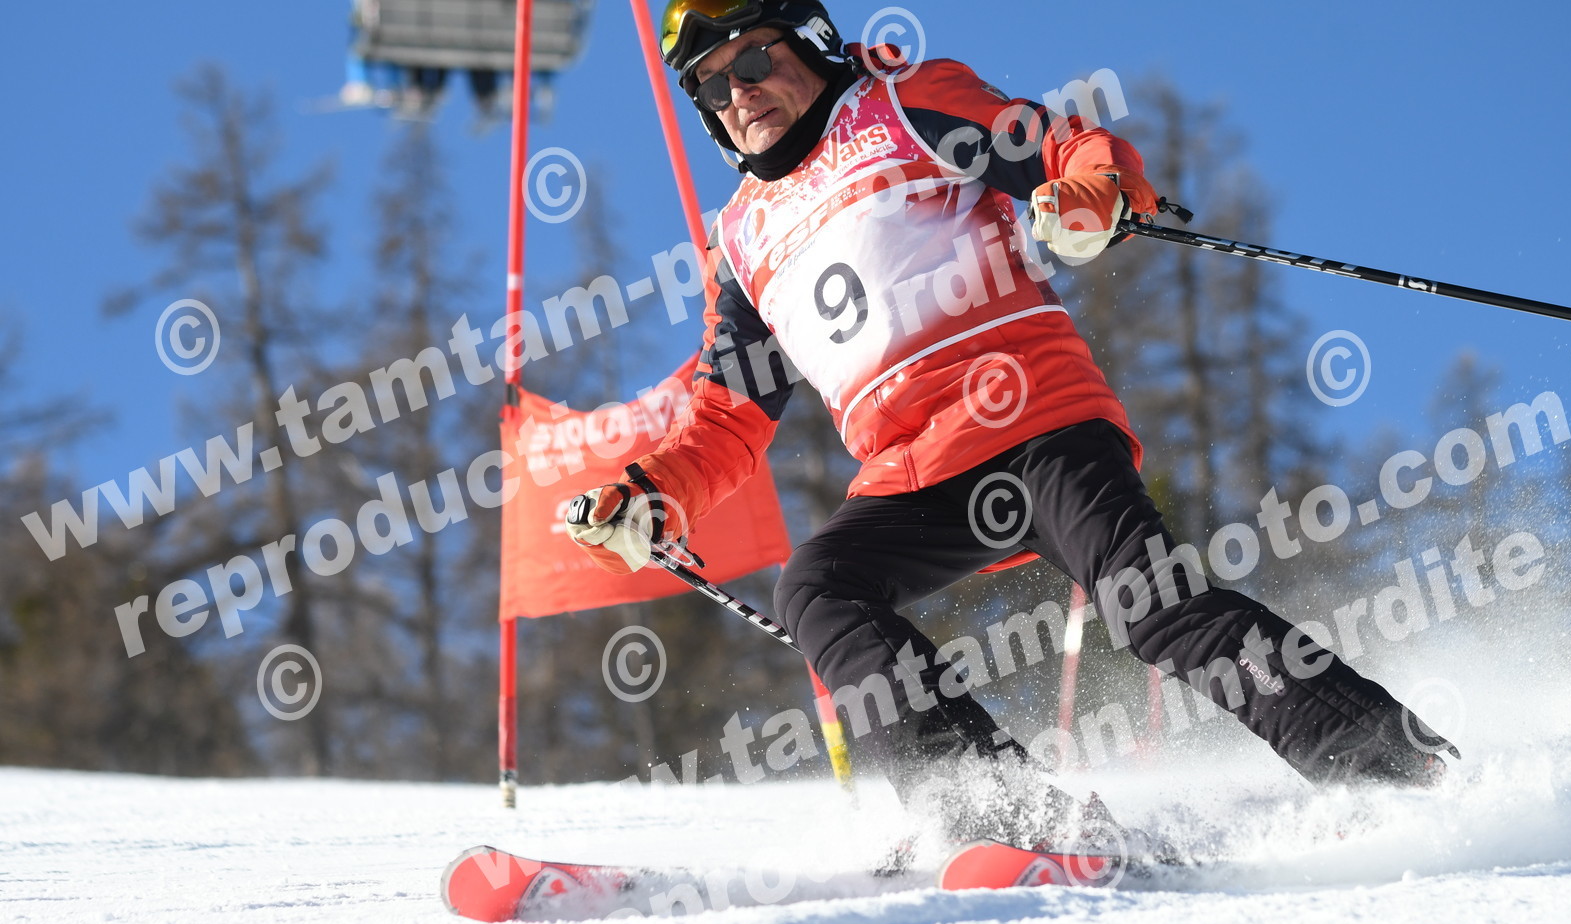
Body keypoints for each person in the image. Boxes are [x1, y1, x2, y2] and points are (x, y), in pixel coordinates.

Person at [565, 0, 1458, 848]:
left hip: (1035, 421)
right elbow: (727, 412)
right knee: (817, 588)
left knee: (1152, 607)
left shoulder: (902, 105)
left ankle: (1399, 770)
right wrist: (652, 496)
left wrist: (1094, 191)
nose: (740, 93)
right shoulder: (740, 239)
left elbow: (1067, 145)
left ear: (810, 42)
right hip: (912, 477)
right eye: (713, 85)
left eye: (755, 60)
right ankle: (998, 814)